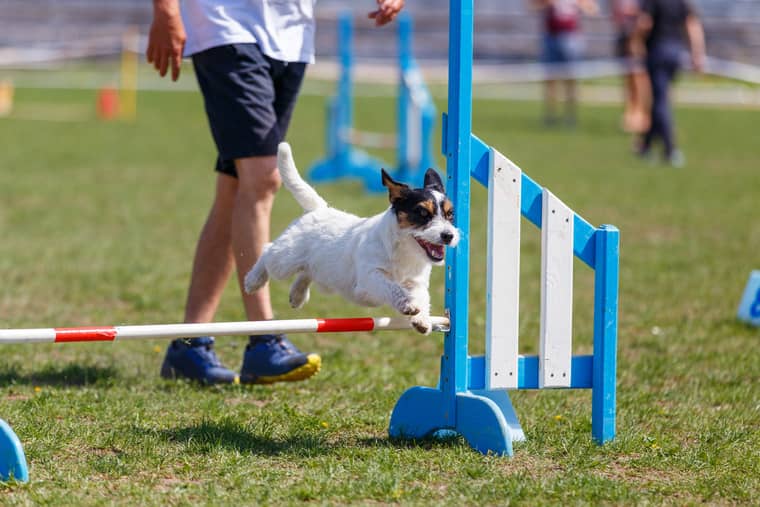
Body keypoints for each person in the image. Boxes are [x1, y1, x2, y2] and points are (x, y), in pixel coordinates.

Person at [146, 0, 405, 385]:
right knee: (264, 177)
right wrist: (166, 10)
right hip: (225, 25)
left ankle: (189, 345)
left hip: (291, 35)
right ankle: (264, 338)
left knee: (235, 190)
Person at [632, 0, 705, 167]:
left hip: (658, 52)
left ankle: (670, 150)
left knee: (660, 101)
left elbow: (644, 23)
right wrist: (697, 54)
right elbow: (692, 26)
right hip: (675, 52)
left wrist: (635, 41)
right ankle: (646, 145)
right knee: (661, 98)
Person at [532, 0, 599, 127]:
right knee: (550, 78)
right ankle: (550, 115)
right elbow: (532, 6)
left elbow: (593, 9)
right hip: (551, 36)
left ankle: (570, 115)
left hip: (571, 37)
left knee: (571, 79)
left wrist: (577, 5)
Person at [610, 0, 650, 133]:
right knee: (628, 77)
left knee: (640, 78)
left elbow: (646, 14)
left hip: (639, 38)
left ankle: (642, 114)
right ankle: (630, 113)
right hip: (625, 35)